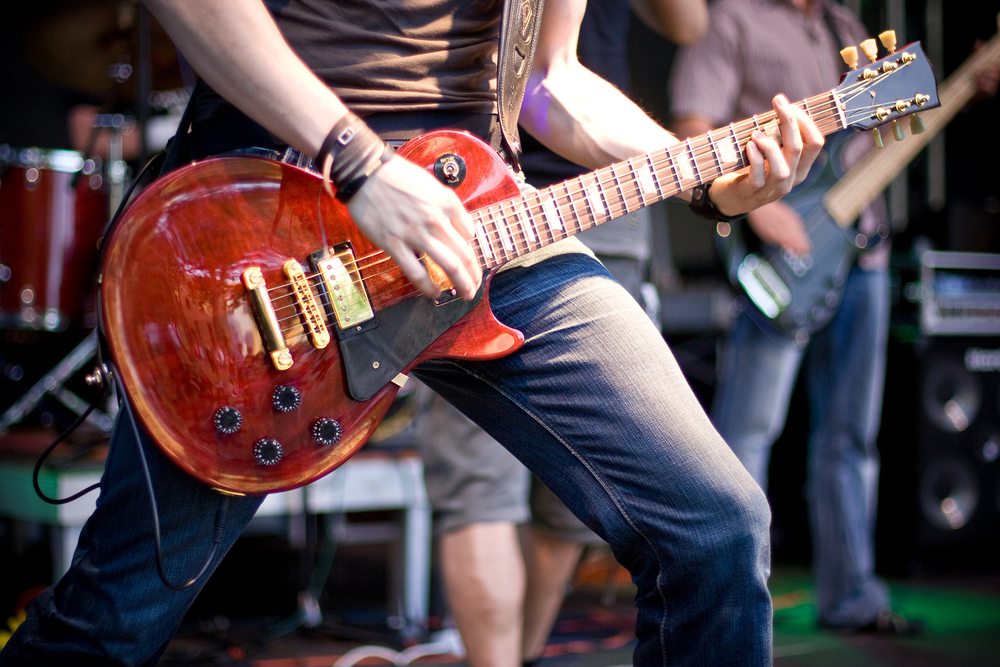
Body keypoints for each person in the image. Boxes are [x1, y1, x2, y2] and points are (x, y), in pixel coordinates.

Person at [0, 1, 824, 665]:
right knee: (112, 622)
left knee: (714, 526)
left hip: (483, 216)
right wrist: (361, 163)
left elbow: (551, 84)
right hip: (272, 226)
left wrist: (708, 177)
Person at [416, 2, 708, 665]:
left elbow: (685, 25)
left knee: (572, 501)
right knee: (480, 482)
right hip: (472, 192)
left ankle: (513, 656)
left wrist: (704, 171)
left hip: (609, 188)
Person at [669, 0, 921, 634]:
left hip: (864, 249)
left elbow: (884, 122)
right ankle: (729, 602)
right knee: (748, 435)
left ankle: (852, 597)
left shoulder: (845, 26)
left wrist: (962, 84)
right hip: (785, 255)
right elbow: (692, 129)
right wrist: (758, 210)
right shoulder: (733, 18)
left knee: (852, 438)